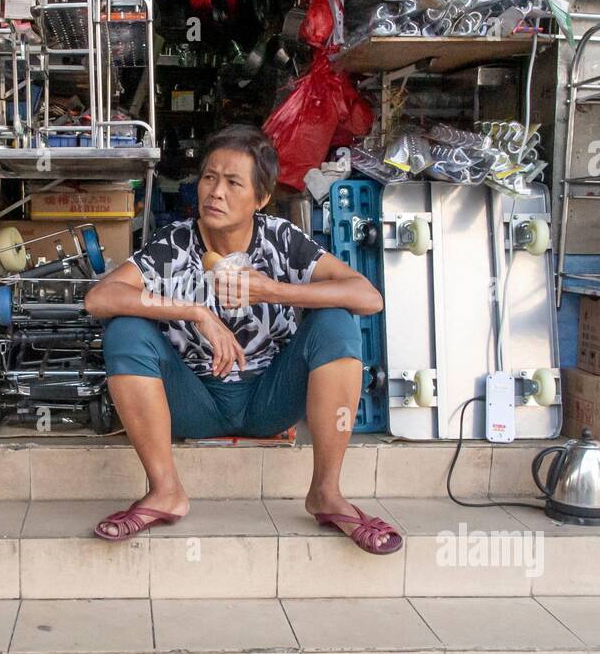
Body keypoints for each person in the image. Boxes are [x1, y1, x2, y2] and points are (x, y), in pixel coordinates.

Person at [83, 125, 402, 554]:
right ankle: (165, 491)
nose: (216, 192)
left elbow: (369, 297)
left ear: (261, 197)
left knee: (337, 323)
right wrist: (195, 312)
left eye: (234, 183)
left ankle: (326, 493)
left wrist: (273, 290)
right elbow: (100, 297)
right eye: (210, 178)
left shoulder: (281, 240)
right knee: (125, 329)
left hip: (269, 399)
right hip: (193, 402)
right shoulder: (176, 243)